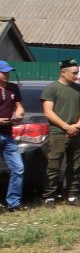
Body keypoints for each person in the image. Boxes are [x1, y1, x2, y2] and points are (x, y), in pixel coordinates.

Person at [36, 58, 80, 206]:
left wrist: (77, 125)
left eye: (77, 72)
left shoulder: (79, 89)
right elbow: (48, 112)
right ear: (63, 72)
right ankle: (49, 196)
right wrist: (66, 127)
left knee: (76, 165)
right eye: (73, 73)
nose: (76, 75)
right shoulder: (51, 88)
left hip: (76, 132)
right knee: (54, 164)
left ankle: (72, 195)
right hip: (59, 132)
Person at [0, 61, 23, 211]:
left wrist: (19, 114)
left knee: (19, 168)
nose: (7, 74)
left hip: (8, 133)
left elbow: (19, 106)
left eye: (8, 72)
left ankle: (13, 203)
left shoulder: (13, 88)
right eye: (4, 72)